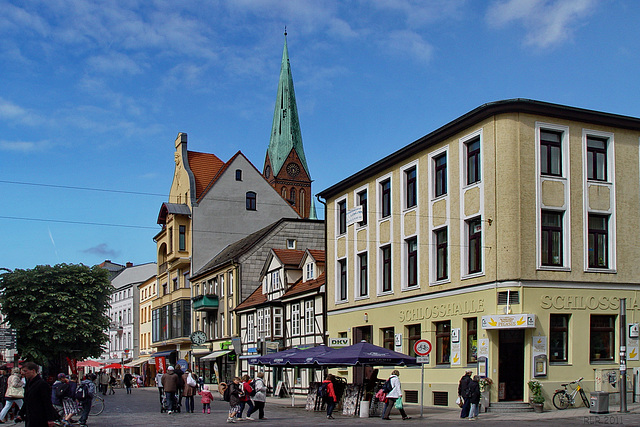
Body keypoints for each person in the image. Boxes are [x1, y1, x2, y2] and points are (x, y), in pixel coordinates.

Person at [17, 361, 59, 427]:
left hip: (40, 417)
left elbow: (47, 402)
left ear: (33, 371)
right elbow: (27, 401)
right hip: (30, 416)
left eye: (25, 371)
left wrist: (50, 419)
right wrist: (21, 414)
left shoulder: (42, 384)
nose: (23, 373)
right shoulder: (29, 383)